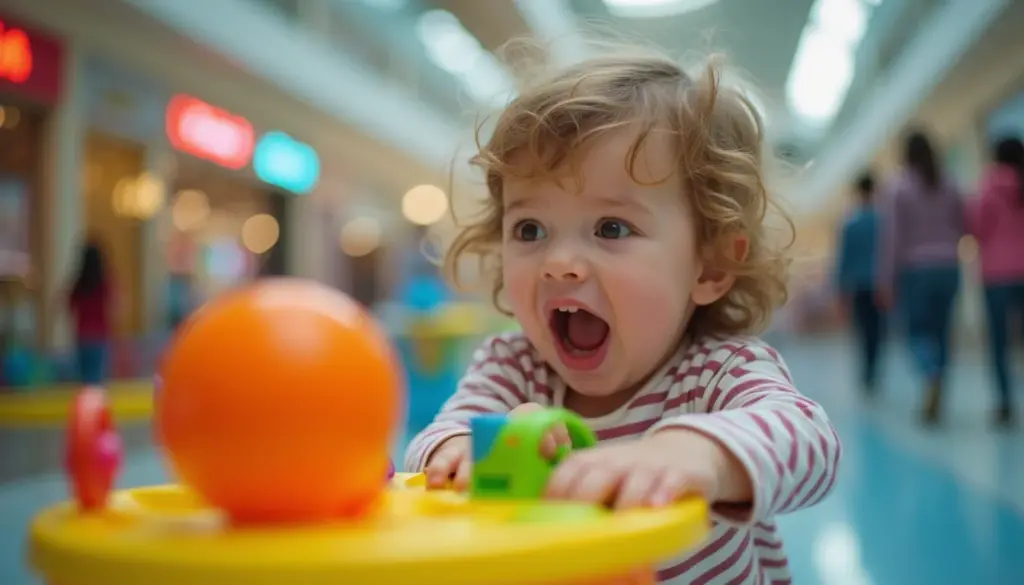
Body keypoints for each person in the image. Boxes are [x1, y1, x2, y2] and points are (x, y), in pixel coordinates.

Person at [404, 50, 841, 584]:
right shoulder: (514, 368)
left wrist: (697, 453)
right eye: (530, 230)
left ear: (710, 264)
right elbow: (435, 441)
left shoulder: (717, 374)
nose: (559, 264)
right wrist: (463, 449)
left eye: (611, 228)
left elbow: (809, 439)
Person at [876, 130, 964, 425]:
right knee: (942, 334)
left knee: (916, 333)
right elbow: (963, 224)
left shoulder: (898, 187)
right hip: (950, 266)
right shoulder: (950, 182)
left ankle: (930, 374)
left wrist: (885, 280)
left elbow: (893, 237)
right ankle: (939, 387)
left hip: (915, 270)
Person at [967, 135, 1024, 427]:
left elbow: (976, 227)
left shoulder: (989, 185)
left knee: (1000, 343)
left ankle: (1005, 405)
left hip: (997, 275)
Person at [835, 171, 884, 396]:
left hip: (857, 286)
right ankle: (873, 370)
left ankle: (867, 371)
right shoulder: (883, 223)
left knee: (863, 330)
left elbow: (844, 259)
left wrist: (841, 290)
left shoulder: (850, 224)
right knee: (878, 331)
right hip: (879, 284)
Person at [67, 239, 115, 385]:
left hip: (83, 335)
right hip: (100, 335)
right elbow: (115, 305)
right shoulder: (104, 282)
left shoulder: (79, 283)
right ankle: (96, 406)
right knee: (98, 378)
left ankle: (85, 405)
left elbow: (69, 306)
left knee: (85, 378)